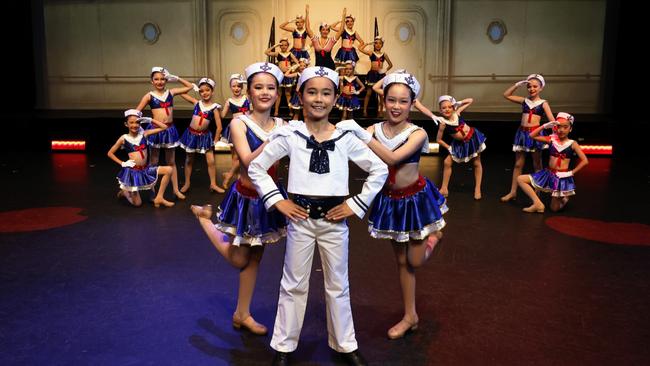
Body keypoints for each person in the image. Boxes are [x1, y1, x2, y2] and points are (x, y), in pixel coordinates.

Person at [248, 66, 388, 366]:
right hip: (299, 219)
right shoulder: (291, 135)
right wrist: (278, 201)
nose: (319, 99)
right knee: (293, 283)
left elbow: (381, 169)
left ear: (336, 98)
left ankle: (345, 345)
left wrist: (356, 204)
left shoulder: (345, 137)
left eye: (326, 93)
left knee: (338, 284)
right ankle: (284, 347)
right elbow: (256, 167)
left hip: (335, 222)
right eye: (312, 92)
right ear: (300, 96)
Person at [337, 71, 446, 340]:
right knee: (401, 261)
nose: (396, 106)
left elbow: (393, 157)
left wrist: (359, 134)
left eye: (403, 101)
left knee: (415, 261)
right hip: (390, 202)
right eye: (391, 100)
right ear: (383, 101)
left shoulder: (418, 133)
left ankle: (434, 237)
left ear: (412, 104)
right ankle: (410, 315)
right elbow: (348, 151)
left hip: (415, 200)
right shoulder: (374, 130)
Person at [190, 62, 288, 336]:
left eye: (271, 87)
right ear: (249, 91)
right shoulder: (239, 122)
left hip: (269, 199)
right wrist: (276, 139)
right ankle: (205, 220)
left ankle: (241, 313)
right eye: (258, 87)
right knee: (239, 259)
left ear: (278, 93)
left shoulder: (282, 124)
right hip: (247, 198)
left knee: (255, 257)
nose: (265, 92)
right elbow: (248, 161)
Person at [135, 66, 194, 200]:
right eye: (156, 79)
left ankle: (175, 190)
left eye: (162, 79)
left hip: (169, 130)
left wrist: (176, 77)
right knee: (153, 161)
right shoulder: (149, 96)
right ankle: (152, 191)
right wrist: (137, 126)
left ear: (166, 80)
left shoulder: (171, 92)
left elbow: (190, 86)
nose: (160, 82)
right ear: (152, 81)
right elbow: (136, 112)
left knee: (171, 161)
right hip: (156, 130)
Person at [516, 112, 588, 213]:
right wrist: (544, 126)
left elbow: (585, 161)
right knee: (520, 179)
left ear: (570, 129)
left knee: (554, 208)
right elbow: (532, 135)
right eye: (558, 127)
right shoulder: (551, 140)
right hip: (548, 174)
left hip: (561, 177)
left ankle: (564, 197)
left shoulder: (572, 144)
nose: (561, 130)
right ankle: (538, 203)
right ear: (555, 127)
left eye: (565, 127)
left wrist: (571, 172)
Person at [501, 74, 554, 202]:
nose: (532, 89)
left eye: (535, 86)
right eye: (529, 86)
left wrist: (554, 135)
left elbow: (552, 120)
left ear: (541, 88)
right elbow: (506, 95)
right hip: (522, 134)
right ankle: (513, 192)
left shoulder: (543, 103)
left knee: (537, 164)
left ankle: (536, 194)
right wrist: (517, 85)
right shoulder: (524, 101)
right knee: (518, 164)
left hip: (535, 134)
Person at [107, 109, 174, 208]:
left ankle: (159, 197)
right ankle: (125, 193)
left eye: (137, 122)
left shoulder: (144, 134)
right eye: (131, 123)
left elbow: (164, 127)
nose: (135, 125)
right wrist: (122, 163)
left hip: (145, 169)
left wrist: (150, 120)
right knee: (137, 204)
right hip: (133, 172)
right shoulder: (124, 138)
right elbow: (110, 153)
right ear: (126, 124)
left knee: (169, 170)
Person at [178, 77, 225, 194]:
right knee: (189, 160)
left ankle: (213, 184)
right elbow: (182, 93)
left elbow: (219, 127)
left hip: (205, 136)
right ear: (199, 92)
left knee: (211, 161)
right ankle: (187, 183)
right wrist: (190, 86)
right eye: (202, 91)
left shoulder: (214, 107)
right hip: (191, 135)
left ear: (212, 91)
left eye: (207, 90)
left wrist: (215, 141)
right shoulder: (196, 103)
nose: (205, 93)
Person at [435, 95, 486, 200]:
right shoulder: (443, 123)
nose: (447, 109)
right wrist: (448, 147)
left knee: (476, 163)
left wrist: (457, 103)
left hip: (472, 138)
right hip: (459, 144)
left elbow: (470, 100)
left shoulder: (456, 112)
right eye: (444, 108)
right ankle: (444, 189)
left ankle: (477, 188)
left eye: (449, 107)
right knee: (447, 162)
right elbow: (438, 140)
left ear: (453, 107)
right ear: (440, 111)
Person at [221, 73, 251, 189]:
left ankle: (229, 175)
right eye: (234, 86)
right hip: (235, 128)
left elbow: (252, 89)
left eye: (239, 86)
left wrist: (244, 81)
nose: (236, 88)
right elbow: (223, 115)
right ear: (230, 87)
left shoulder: (247, 98)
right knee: (235, 156)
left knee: (244, 155)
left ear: (242, 87)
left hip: (247, 126)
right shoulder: (229, 101)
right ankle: (238, 175)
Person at [359, 36, 393, 117]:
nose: (378, 45)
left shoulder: (384, 54)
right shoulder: (371, 53)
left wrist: (385, 70)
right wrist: (368, 43)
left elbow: (390, 65)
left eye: (380, 43)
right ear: (374, 45)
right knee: (368, 93)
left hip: (380, 76)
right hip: (372, 75)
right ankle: (364, 110)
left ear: (382, 45)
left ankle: (380, 111)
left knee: (381, 95)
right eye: (376, 43)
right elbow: (360, 48)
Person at [265, 38, 299, 117]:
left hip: (287, 75)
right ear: (280, 46)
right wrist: (276, 45)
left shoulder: (290, 54)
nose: (283, 47)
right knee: (279, 94)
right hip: (280, 75)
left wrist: (291, 68)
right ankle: (276, 111)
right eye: (282, 45)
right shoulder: (278, 53)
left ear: (288, 46)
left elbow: (297, 63)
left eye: (285, 45)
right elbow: (266, 52)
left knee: (288, 94)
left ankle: (290, 111)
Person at [305, 4, 339, 70]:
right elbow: (307, 28)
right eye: (323, 29)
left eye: (327, 30)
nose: (325, 31)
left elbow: (341, 31)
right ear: (320, 31)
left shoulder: (330, 41)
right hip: (318, 66)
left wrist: (342, 19)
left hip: (330, 67)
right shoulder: (315, 40)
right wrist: (307, 13)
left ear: (329, 31)